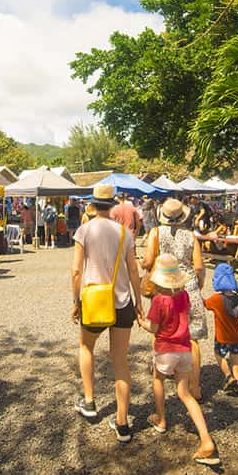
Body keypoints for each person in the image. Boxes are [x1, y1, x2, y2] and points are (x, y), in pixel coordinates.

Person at [72, 183, 146, 442]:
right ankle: (122, 423)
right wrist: (139, 303)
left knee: (86, 347)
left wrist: (75, 301)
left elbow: (76, 272)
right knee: (120, 360)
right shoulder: (125, 234)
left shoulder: (84, 230)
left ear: (92, 205)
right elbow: (134, 271)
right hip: (123, 300)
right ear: (113, 204)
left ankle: (90, 402)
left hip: (93, 300)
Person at [139, 253, 222, 466]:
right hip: (185, 348)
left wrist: (141, 322)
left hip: (166, 348)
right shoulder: (184, 295)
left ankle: (161, 418)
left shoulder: (159, 301)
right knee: (184, 393)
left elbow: (154, 328)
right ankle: (205, 439)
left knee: (158, 379)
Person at [143, 198, 209, 401]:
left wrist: (142, 266)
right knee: (193, 338)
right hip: (188, 286)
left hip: (164, 288)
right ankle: (195, 387)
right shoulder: (190, 235)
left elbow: (147, 261)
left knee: (162, 331)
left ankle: (164, 371)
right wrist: (198, 284)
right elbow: (198, 266)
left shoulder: (155, 233)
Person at [203, 261, 238, 395]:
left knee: (219, 355)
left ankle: (229, 377)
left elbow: (205, 304)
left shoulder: (215, 299)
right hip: (237, 336)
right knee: (235, 357)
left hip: (222, 337)